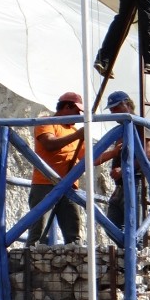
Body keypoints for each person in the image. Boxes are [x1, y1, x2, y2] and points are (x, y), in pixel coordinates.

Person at [26, 91, 87, 245]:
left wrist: (114, 152)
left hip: (68, 186)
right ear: (67, 107)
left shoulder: (74, 132)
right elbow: (49, 144)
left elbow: (90, 158)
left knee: (73, 234)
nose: (79, 116)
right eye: (77, 111)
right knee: (38, 231)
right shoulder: (47, 122)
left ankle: (74, 258)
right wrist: (77, 136)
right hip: (44, 184)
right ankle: (29, 257)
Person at [95, 91, 150, 233]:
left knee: (134, 228)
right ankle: (124, 247)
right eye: (111, 109)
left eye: (116, 108)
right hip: (121, 185)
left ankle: (132, 247)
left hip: (136, 181)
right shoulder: (122, 128)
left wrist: (123, 170)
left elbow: (149, 152)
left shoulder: (140, 124)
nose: (113, 112)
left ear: (127, 104)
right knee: (112, 225)